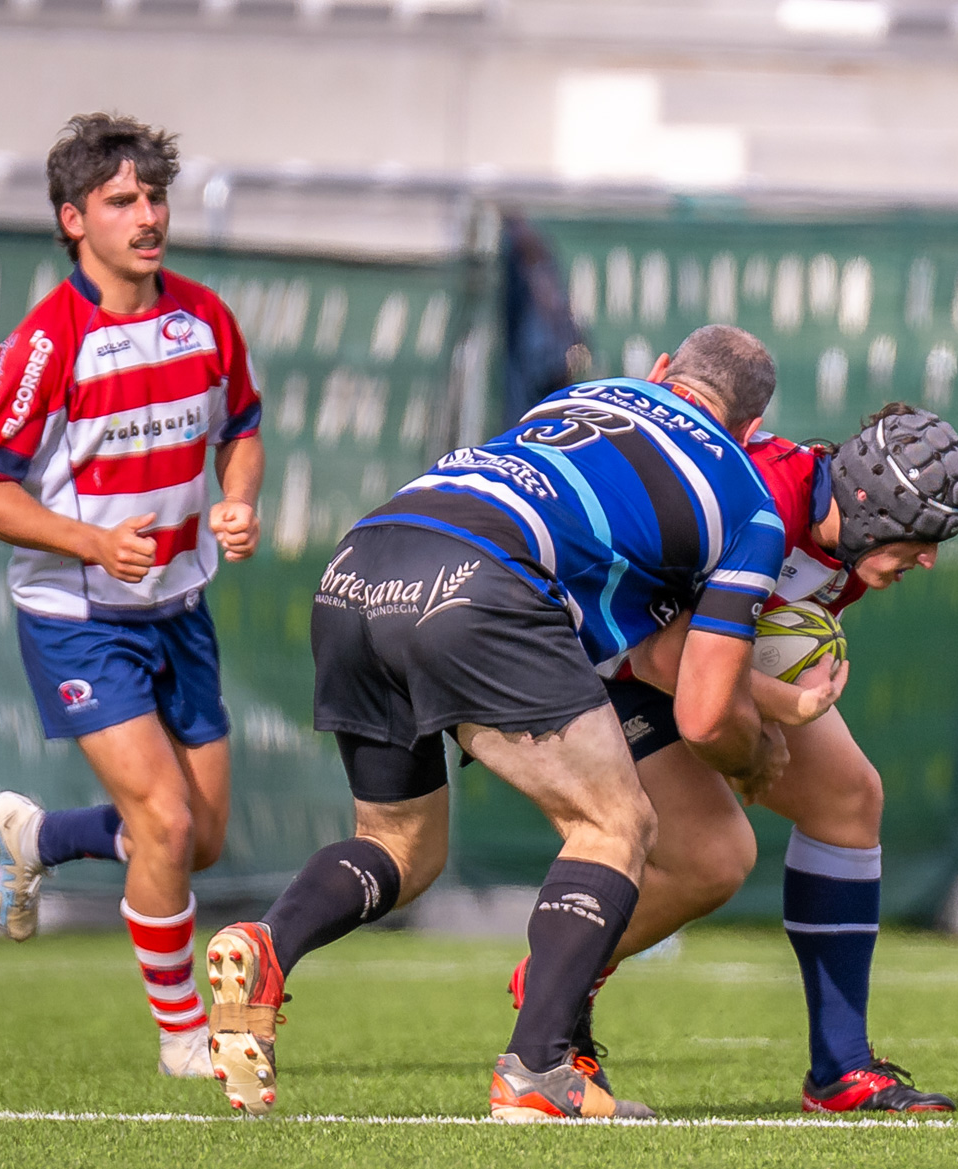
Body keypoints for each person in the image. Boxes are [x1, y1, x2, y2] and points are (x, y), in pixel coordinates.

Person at [204, 325, 793, 1121]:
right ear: (752, 431)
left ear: (660, 372)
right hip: (480, 582)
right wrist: (758, 754)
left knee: (400, 849)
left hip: (359, 565)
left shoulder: (583, 396)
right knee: (614, 822)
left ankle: (269, 945)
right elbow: (709, 704)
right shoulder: (750, 503)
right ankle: (538, 1070)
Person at [508, 396, 958, 1113]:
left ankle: (840, 1070)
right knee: (713, 860)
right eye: (922, 536)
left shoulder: (845, 542)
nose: (932, 559)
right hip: (605, 666)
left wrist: (769, 703)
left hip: (697, 670)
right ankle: (559, 977)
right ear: (874, 507)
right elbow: (665, 654)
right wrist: (782, 708)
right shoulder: (762, 499)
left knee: (850, 800)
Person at [0, 113, 264, 1078]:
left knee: (197, 841)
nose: (146, 215)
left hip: (181, 608)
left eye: (154, 196)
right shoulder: (49, 343)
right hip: (78, 620)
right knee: (165, 824)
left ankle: (40, 836)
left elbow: (243, 427)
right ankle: (184, 1039)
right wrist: (90, 540)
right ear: (72, 219)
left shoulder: (205, 317)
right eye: (121, 200)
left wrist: (239, 501)